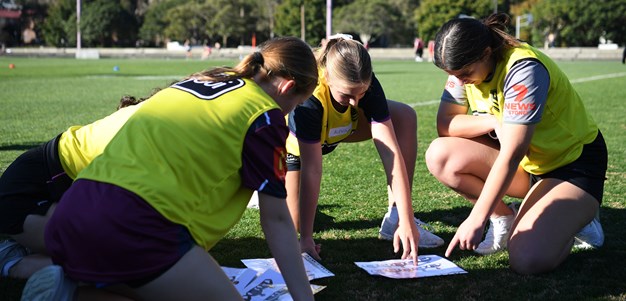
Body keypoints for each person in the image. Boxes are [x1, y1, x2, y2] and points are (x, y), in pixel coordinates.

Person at [20, 36, 319, 301]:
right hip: (134, 224)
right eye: (297, 103)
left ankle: (69, 288)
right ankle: (72, 290)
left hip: (74, 208)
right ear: (288, 86)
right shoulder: (264, 117)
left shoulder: (205, 78)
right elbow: (277, 220)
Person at [425, 13, 607, 275]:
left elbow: (511, 153)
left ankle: (579, 219)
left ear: (487, 53)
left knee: (527, 259)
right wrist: (492, 122)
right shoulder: (463, 68)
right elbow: (446, 124)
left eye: (465, 74)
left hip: (571, 167)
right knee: (439, 155)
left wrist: (477, 217)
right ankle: (504, 217)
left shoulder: (523, 68)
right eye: (454, 75)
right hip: (529, 167)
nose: (460, 81)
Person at [285, 34, 444, 262]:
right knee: (295, 224)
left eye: (361, 94)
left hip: (336, 130)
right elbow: (312, 169)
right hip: (295, 149)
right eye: (347, 95)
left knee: (404, 116)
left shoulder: (364, 84)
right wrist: (306, 238)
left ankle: (394, 218)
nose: (355, 103)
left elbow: (390, 152)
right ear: (327, 76)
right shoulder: (309, 99)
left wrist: (406, 217)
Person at [0, 94, 153, 280]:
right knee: (123, 256)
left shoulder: (158, 118)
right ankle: (13, 262)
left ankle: (35, 245)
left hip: (55, 189)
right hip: (25, 194)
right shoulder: (150, 127)